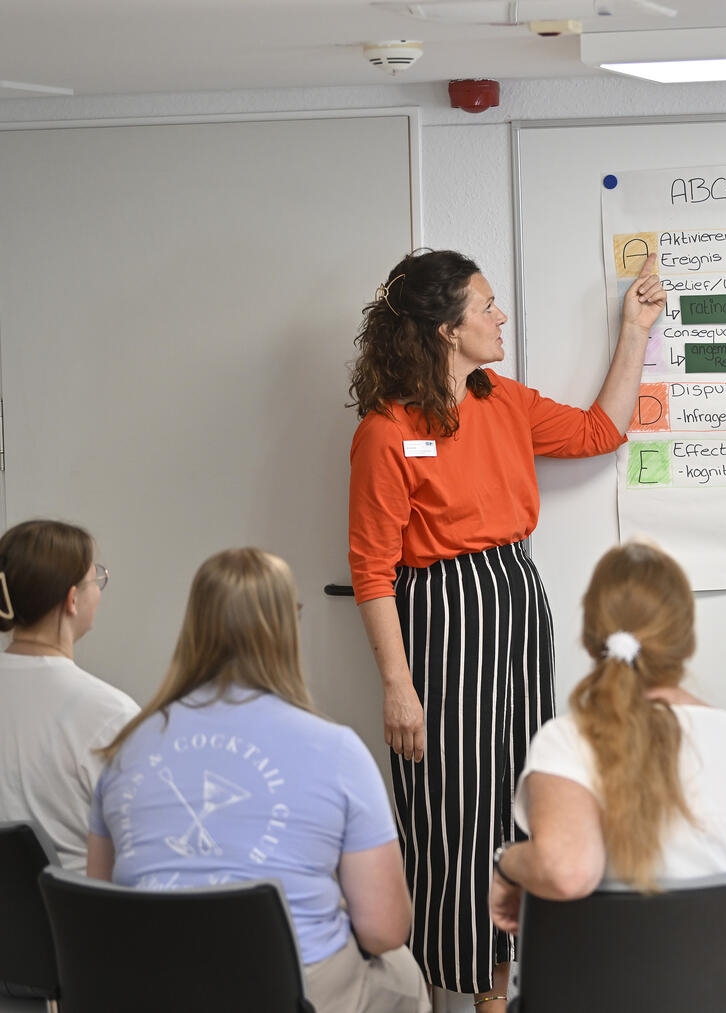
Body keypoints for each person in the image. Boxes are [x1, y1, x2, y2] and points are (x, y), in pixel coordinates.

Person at [346, 248, 666, 1008]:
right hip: (441, 617)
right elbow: (371, 569)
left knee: (516, 798)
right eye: (486, 306)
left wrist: (634, 332)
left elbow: (599, 431)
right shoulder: (387, 431)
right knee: (451, 809)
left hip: (515, 601)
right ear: (446, 327)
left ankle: (500, 991)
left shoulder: (504, 400)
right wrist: (398, 684)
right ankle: (449, 986)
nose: (501, 318)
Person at [87, 549, 429, 1013]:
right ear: (288, 626)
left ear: (194, 626)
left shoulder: (126, 747)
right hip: (286, 992)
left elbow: (101, 901)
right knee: (404, 975)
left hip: (149, 990)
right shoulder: (337, 749)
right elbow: (385, 929)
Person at [487, 540, 726, 931]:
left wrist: (507, 862)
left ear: (590, 639)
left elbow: (567, 872)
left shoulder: (568, 741)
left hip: (597, 991)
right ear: (686, 644)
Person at [0, 518, 136, 872]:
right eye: (96, 581)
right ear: (72, 600)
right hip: (76, 922)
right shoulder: (112, 714)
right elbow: (142, 851)